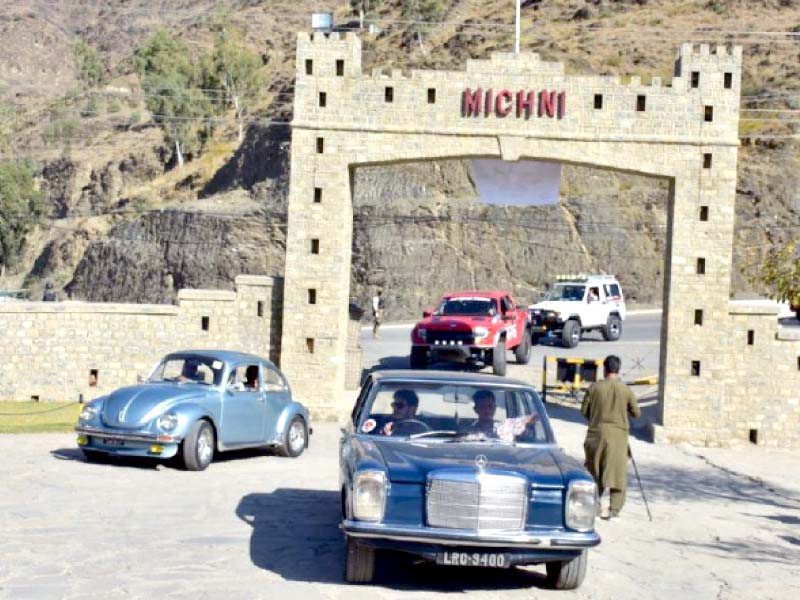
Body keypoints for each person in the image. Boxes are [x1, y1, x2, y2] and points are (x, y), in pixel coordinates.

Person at [581, 354, 641, 521]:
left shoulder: (594, 388)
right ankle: (614, 510)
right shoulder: (626, 390)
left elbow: (584, 411)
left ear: (605, 369)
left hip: (596, 435)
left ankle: (596, 507)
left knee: (595, 471)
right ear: (618, 370)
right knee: (617, 473)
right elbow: (637, 413)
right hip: (618, 437)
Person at [461, 389, 538, 443]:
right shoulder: (467, 431)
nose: (487, 411)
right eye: (482, 407)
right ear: (476, 409)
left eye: (490, 406)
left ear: (495, 408)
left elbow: (534, 417)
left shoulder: (507, 426)